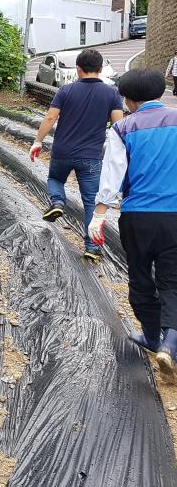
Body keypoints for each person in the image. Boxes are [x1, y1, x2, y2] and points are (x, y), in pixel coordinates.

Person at [90, 69, 177, 374]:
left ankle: (153, 338)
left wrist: (98, 217)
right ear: (159, 93)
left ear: (128, 99)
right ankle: (171, 344)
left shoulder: (123, 128)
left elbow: (111, 177)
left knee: (141, 277)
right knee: (172, 280)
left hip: (138, 216)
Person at [29, 48, 123, 261]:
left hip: (62, 151)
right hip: (91, 156)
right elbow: (118, 125)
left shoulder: (65, 91)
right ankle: (92, 247)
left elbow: (50, 118)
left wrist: (37, 142)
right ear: (100, 69)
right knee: (91, 201)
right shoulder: (111, 93)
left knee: (55, 178)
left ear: (78, 69)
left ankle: (58, 202)